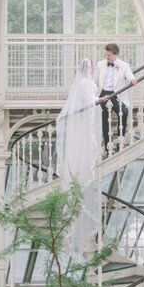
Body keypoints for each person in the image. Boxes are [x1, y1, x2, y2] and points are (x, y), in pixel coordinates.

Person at [56, 59, 101, 258]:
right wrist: (98, 101)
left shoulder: (85, 82)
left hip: (87, 118)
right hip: (86, 117)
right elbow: (86, 100)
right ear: (87, 69)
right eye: (90, 67)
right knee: (86, 150)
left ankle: (77, 237)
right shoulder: (84, 83)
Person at [96, 43, 136, 150]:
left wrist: (132, 80)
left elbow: (131, 77)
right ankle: (108, 145)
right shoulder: (100, 64)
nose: (107, 57)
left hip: (116, 95)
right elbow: (95, 80)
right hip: (103, 94)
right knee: (105, 117)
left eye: (109, 55)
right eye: (106, 55)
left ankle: (120, 141)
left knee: (123, 112)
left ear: (116, 54)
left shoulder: (123, 65)